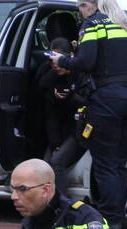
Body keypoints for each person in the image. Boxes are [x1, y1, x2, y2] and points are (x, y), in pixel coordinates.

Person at [50, 0, 127, 229]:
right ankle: (116, 216)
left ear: (94, 4)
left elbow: (85, 62)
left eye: (82, 4)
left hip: (107, 100)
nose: (80, 9)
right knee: (119, 161)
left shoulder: (92, 25)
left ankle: (109, 219)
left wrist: (61, 60)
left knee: (106, 163)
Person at [34, 37, 92, 192]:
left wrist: (72, 97)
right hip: (59, 130)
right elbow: (50, 113)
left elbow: (91, 105)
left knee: (55, 164)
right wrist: (55, 143)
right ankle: (50, 208)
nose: (55, 63)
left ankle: (64, 207)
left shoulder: (83, 74)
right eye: (52, 59)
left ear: (71, 57)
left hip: (80, 130)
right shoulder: (49, 75)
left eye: (59, 59)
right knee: (45, 169)